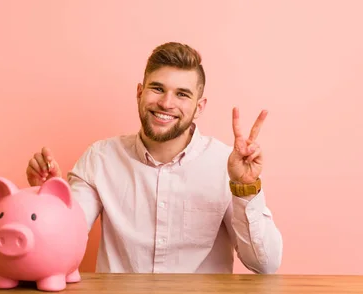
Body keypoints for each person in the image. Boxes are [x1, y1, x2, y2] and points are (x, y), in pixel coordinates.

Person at [25, 42, 283, 274]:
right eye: (157, 89)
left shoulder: (225, 164)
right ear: (139, 92)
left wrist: (245, 188)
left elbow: (265, 264)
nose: (166, 103)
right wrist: (49, 199)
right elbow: (64, 239)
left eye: (182, 94)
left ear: (199, 107)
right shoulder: (100, 159)